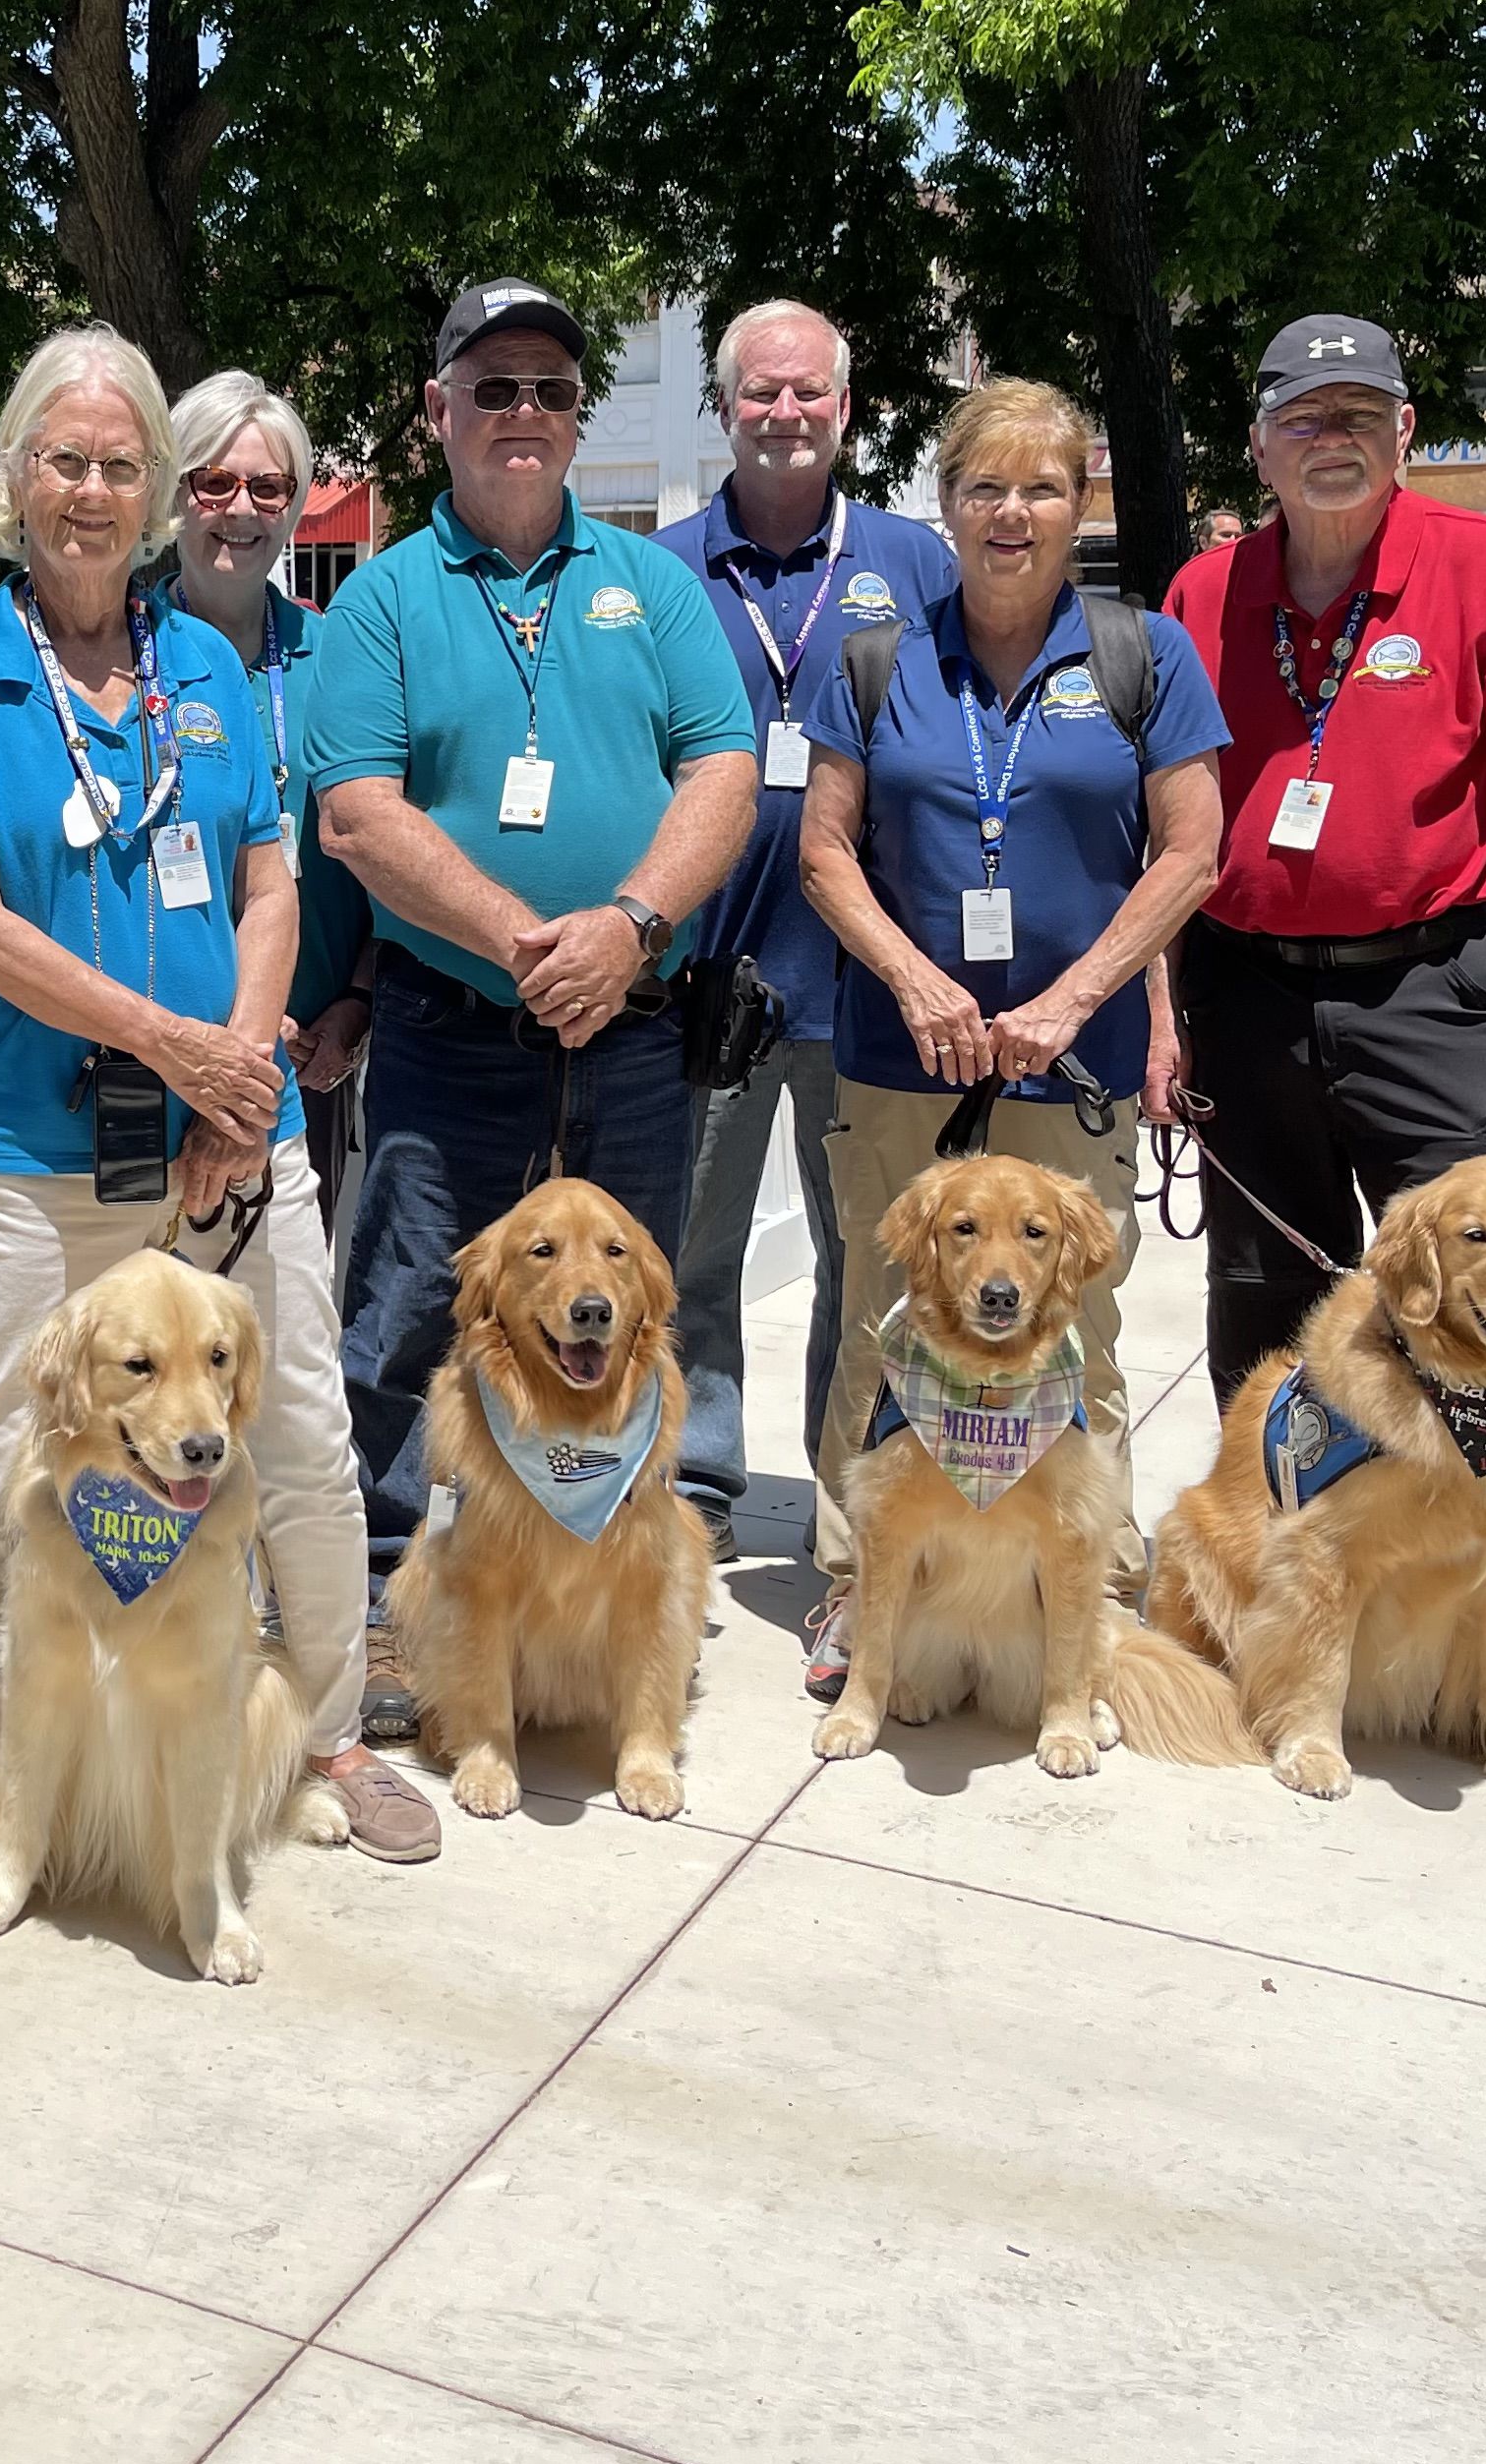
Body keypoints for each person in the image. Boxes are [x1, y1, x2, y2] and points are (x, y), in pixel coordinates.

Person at [0, 323, 441, 1925]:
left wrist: (237, 1072)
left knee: (305, 1447)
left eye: (123, 465)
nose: (95, 490)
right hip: (35, 1161)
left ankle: (328, 1739)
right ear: (11, 481)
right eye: (66, 460)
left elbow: (273, 880)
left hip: (229, 1156)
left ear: (159, 493)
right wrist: (175, 1047)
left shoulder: (205, 663)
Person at [1162, 313, 1486, 1645]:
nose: (1331, 439)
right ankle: (1279, 1546)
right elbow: (1163, 826)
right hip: (1240, 988)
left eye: (1360, 414)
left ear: (1406, 431)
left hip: (1434, 987)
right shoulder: (1202, 592)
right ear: (1256, 445)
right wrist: (1159, 1020)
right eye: (1302, 417)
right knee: (1262, 1295)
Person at [304, 278, 759, 1573]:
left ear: (576, 419)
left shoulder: (649, 584)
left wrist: (627, 924)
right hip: (449, 1029)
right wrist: (524, 941)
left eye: (550, 390)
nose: (522, 411)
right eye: (492, 386)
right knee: (401, 1314)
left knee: (621, 1308)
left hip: (630, 1028)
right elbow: (357, 815)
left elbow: (721, 770)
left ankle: (610, 1579)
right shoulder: (380, 602)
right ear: (435, 408)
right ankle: (390, 1586)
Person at [799, 377, 1226, 1692]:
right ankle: (853, 1583)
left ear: (1078, 504)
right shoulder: (873, 656)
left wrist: (1076, 1002)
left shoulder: (1139, 655)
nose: (1010, 512)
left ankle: (1081, 1585)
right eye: (983, 486)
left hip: (1070, 1066)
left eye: (1040, 487)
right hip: (895, 1055)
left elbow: (1191, 852)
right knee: (883, 1322)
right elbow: (822, 850)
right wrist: (919, 983)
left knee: (1069, 1327)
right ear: (946, 504)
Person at [656, 304, 957, 1555]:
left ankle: (853, 1489)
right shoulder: (662, 569)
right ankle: (696, 1484)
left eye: (808, 394)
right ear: (721, 408)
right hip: (709, 979)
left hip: (865, 978)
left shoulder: (918, 564)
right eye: (760, 394)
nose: (785, 414)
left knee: (865, 1261)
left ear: (848, 406)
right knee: (693, 1249)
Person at [146, 371, 375, 1200]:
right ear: (175, 493)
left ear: (295, 504)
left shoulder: (347, 658)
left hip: (316, 1055)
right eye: (214, 481)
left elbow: (388, 846)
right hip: (162, 1052)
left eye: (269, 487)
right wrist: (237, 1030)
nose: (240, 509)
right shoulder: (113, 661)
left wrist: (353, 1004)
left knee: (288, 1318)